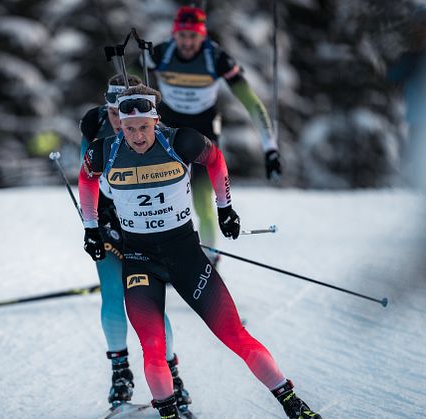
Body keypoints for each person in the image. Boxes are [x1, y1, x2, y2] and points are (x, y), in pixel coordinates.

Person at [78, 84, 320, 419]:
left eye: (143, 127)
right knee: (153, 349)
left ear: (155, 120)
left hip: (185, 255)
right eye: (129, 128)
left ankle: (292, 402)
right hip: (139, 260)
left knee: (234, 334)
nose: (136, 135)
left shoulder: (180, 141)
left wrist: (225, 208)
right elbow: (86, 178)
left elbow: (216, 160)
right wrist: (91, 226)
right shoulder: (105, 151)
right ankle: (170, 414)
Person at [79, 74, 192, 412]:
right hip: (108, 222)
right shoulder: (94, 124)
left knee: (149, 304)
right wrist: (92, 225)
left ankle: (172, 374)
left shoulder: (147, 128)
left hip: (147, 231)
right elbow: (86, 177)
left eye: (125, 115)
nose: (121, 122)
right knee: (113, 293)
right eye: (114, 114)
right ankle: (120, 372)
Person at [146, 5, 281, 259]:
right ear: (175, 34)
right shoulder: (161, 53)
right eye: (182, 36)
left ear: (202, 35)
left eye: (193, 36)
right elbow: (125, 82)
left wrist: (270, 148)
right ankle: (159, 258)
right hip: (168, 130)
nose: (187, 42)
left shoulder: (216, 58)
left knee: (202, 202)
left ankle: (210, 259)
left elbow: (252, 103)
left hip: (204, 134)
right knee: (161, 198)